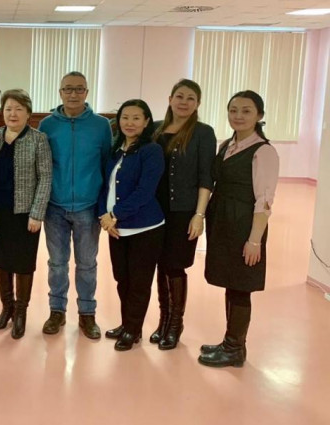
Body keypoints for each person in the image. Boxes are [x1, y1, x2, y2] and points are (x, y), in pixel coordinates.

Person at [198, 91, 279, 368]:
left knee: (241, 286)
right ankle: (231, 343)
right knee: (231, 282)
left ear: (259, 115)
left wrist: (254, 240)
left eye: (246, 111)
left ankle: (234, 348)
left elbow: (264, 200)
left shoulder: (263, 151)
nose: (238, 116)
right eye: (233, 110)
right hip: (222, 222)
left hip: (245, 225)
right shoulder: (227, 145)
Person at [38, 71, 111, 339]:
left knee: (87, 264)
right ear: (60, 92)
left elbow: (106, 164)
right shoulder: (47, 125)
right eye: (68, 89)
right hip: (54, 206)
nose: (73, 94)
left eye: (79, 89)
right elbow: (41, 164)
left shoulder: (101, 125)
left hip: (87, 206)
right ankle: (56, 311)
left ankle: (87, 314)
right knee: (57, 263)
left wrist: (103, 206)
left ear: (87, 93)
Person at [150, 79, 216, 350]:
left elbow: (206, 177)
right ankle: (163, 320)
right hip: (155, 210)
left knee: (175, 265)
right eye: (179, 96)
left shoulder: (203, 133)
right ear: (170, 99)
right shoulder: (155, 129)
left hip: (184, 211)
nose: (184, 102)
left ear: (198, 103)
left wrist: (199, 214)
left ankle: (176, 324)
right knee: (159, 264)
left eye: (191, 98)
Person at [0, 89, 52, 339]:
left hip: (25, 215)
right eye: (8, 109)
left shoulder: (38, 139)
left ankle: (21, 312)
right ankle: (7, 308)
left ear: (28, 113)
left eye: (18, 109)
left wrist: (37, 213)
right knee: (2, 260)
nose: (12, 114)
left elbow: (45, 178)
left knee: (23, 263)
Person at [99, 99, 165, 352]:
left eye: (136, 118)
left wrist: (114, 214)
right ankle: (127, 323)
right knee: (122, 279)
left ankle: (133, 330)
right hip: (116, 228)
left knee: (139, 283)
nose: (130, 122)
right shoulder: (116, 149)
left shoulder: (151, 150)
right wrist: (103, 217)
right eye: (125, 117)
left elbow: (145, 191)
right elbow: (105, 186)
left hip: (144, 228)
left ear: (146, 122)